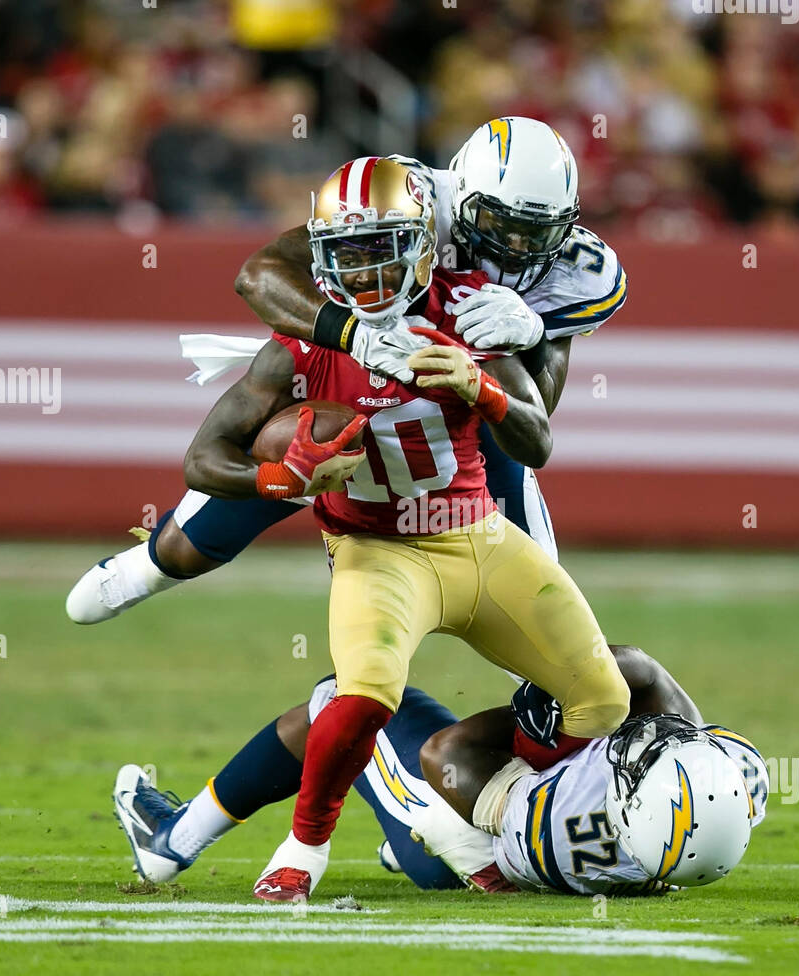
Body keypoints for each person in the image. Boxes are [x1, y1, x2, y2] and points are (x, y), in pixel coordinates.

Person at [162, 157, 628, 901]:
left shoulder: (470, 309)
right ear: (319, 258)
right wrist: (277, 481)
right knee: (366, 693)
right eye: (346, 252)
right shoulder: (304, 337)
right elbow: (202, 457)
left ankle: (494, 792)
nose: (365, 268)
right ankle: (301, 851)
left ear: (424, 243)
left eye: (382, 247)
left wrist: (485, 384)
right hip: (378, 553)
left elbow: (537, 444)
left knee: (602, 697)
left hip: (477, 538)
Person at [66, 117, 627, 623]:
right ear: (461, 193)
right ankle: (152, 564)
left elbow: (538, 412)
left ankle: (548, 712)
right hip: (347, 388)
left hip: (459, 418)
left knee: (539, 606)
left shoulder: (578, 270)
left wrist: (533, 331)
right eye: (500, 223)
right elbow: (262, 273)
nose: (516, 245)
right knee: (189, 545)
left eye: (538, 232)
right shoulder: (407, 195)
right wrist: (358, 336)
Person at [112, 646, 768, 897]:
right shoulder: (723, 788)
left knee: (345, 698)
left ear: (626, 807)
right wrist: (606, 680)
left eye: (643, 760)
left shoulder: (557, 832)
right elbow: (651, 682)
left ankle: (172, 843)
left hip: (468, 835)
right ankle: (406, 850)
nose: (649, 741)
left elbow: (446, 758)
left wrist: (528, 725)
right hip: (492, 843)